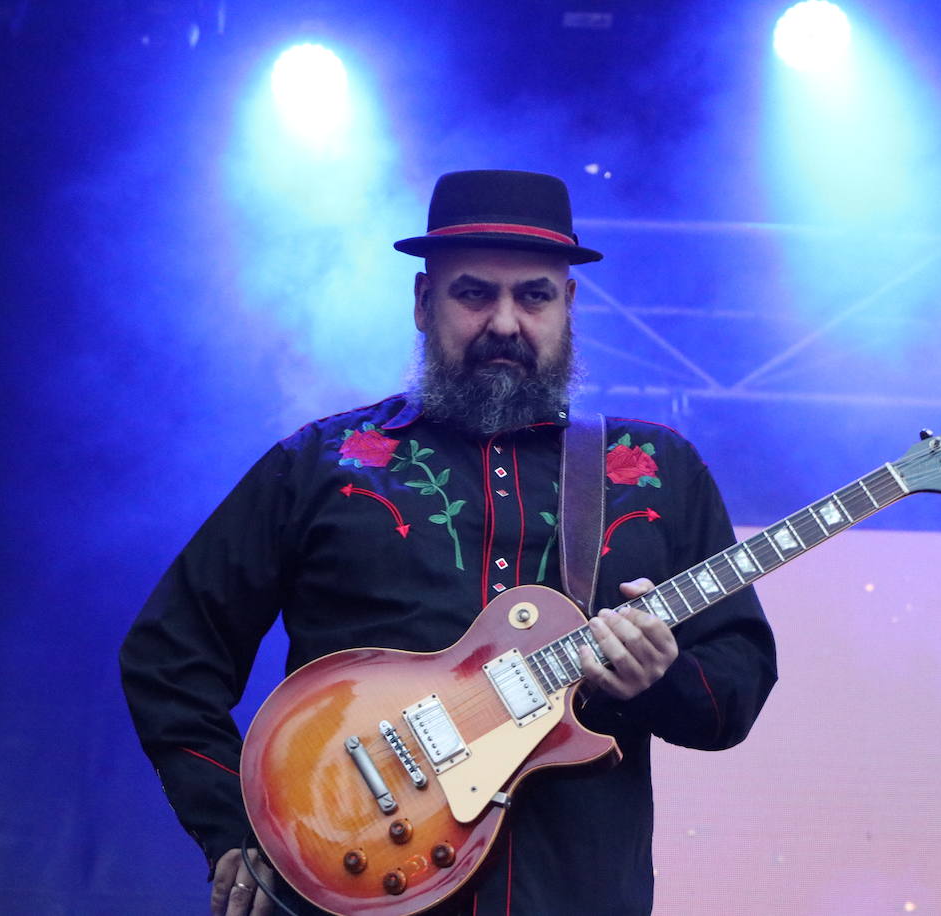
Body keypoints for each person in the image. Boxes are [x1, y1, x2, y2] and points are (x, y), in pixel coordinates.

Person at [120, 169, 778, 916]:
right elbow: (169, 655)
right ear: (423, 302)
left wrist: (658, 677)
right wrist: (236, 828)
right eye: (474, 293)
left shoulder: (658, 473)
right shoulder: (324, 464)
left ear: (569, 306)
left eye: (533, 295)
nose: (505, 322)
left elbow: (738, 689)